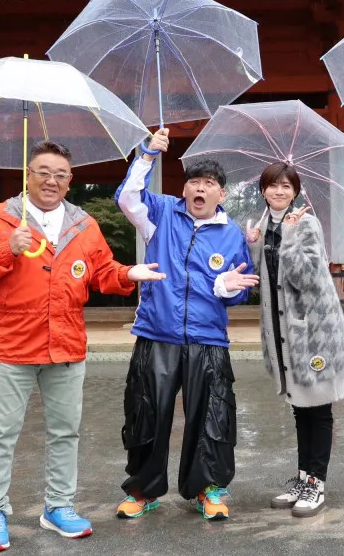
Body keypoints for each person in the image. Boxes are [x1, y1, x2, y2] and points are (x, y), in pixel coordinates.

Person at [0, 141, 166, 553]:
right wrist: (5, 247)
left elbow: (101, 272)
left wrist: (130, 273)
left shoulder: (83, 224)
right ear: (27, 174)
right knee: (1, 433)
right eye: (43, 172)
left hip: (66, 346)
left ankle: (58, 506)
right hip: (12, 346)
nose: (51, 181)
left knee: (65, 432)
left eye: (61, 175)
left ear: (70, 182)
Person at [114, 128, 259, 521]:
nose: (200, 188)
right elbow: (126, 197)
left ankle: (207, 489)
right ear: (184, 189)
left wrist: (224, 287)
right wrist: (147, 155)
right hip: (156, 333)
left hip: (208, 338)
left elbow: (240, 289)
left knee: (211, 416)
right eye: (194, 181)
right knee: (147, 414)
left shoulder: (231, 235)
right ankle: (143, 490)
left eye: (209, 183)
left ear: (221, 194)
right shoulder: (160, 213)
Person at [244, 162, 344, 518]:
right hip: (283, 330)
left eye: (286, 186)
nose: (279, 191)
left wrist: (288, 237)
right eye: (273, 185)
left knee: (317, 408)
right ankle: (305, 476)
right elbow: (261, 278)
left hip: (313, 330)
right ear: (263, 190)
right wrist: (253, 246)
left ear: (295, 191)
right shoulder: (260, 225)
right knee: (299, 406)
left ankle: (316, 483)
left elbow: (304, 276)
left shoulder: (305, 222)